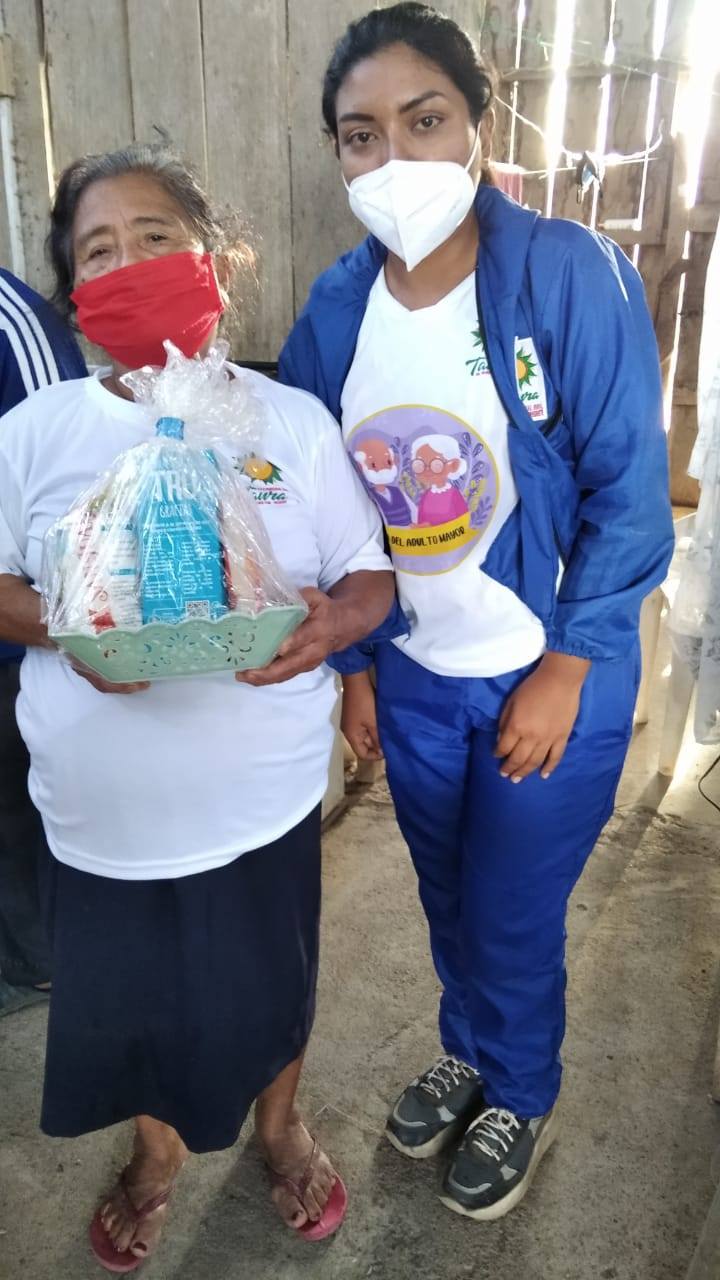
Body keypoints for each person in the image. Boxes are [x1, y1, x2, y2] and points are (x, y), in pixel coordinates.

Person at [279, 2, 674, 1222]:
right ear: (338, 152)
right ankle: (471, 1046)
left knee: (512, 908)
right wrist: (356, 668)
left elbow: (630, 491)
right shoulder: (336, 311)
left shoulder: (566, 274)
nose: (393, 158)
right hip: (416, 674)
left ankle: (521, 1088)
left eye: (424, 120)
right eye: (362, 134)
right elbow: (330, 514)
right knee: (449, 893)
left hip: (546, 670)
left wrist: (570, 665)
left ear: (478, 123)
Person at [0, 141, 395, 1270]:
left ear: (214, 259)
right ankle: (158, 1151)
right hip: (103, 819)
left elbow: (368, 576)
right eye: (98, 251)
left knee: (271, 983)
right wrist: (68, 625)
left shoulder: (290, 421)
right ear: (73, 292)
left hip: (263, 807)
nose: (129, 264)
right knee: (135, 1002)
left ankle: (281, 1126)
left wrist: (329, 628)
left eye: (156, 237)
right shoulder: (34, 434)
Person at [0, 268, 86, 1016]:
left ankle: (37, 961)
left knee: (15, 812)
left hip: (15, 645)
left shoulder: (13, 323)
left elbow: (67, 501)